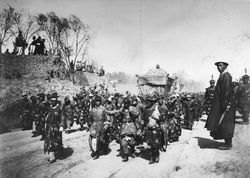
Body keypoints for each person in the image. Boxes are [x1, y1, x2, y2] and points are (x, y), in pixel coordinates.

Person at [205, 60, 236, 150]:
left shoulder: (226, 76)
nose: (219, 67)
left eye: (221, 65)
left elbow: (226, 92)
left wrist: (225, 105)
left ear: (226, 66)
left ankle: (228, 144)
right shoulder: (222, 76)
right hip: (223, 104)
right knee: (222, 123)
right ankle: (227, 142)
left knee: (227, 123)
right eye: (218, 66)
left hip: (226, 104)